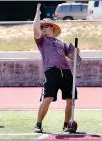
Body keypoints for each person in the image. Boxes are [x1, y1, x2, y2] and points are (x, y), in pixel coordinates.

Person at [33, 3, 81, 133]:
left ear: (52, 27)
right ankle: (38, 124)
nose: (43, 28)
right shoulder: (41, 41)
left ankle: (66, 124)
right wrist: (38, 12)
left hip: (66, 72)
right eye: (42, 26)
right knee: (47, 98)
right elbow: (35, 29)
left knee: (70, 100)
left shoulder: (62, 43)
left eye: (45, 26)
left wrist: (77, 52)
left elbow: (76, 59)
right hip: (51, 71)